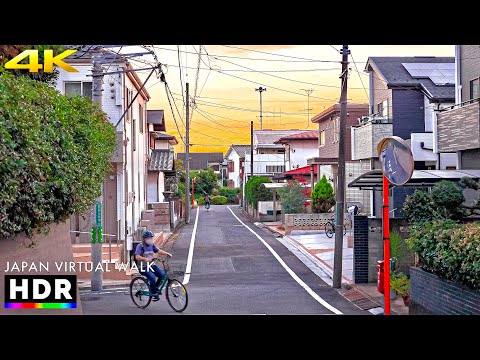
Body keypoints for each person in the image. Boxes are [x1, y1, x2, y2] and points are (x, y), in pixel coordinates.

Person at [134, 230, 172, 301]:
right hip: (143, 267)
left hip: (151, 265)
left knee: (162, 275)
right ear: (144, 239)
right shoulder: (140, 246)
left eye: (151, 238)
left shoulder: (152, 245)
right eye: (148, 238)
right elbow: (137, 257)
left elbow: (158, 251)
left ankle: (155, 288)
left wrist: (167, 253)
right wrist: (145, 259)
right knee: (152, 277)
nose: (150, 240)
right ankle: (153, 293)